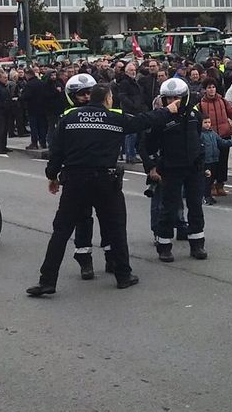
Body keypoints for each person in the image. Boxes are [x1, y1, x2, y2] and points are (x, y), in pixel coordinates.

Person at [26, 76, 177, 297]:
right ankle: (123, 276)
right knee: (115, 229)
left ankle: (47, 281)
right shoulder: (114, 118)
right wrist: (169, 110)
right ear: (107, 99)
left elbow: (56, 151)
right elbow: (144, 120)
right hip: (106, 182)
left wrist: (52, 176)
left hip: (75, 182)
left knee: (60, 233)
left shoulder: (69, 118)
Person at [142, 77, 207, 262]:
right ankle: (164, 245)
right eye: (168, 98)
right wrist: (153, 166)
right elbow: (148, 146)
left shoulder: (194, 115)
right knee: (169, 208)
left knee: (195, 206)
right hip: (170, 168)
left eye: (176, 97)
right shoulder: (161, 118)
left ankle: (197, 244)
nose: (172, 102)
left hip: (193, 167)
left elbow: (198, 136)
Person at [198, 78, 232, 197]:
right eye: (209, 87)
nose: (211, 90)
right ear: (205, 90)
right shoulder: (201, 103)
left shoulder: (222, 100)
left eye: (213, 87)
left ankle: (220, 185)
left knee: (223, 162)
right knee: (210, 162)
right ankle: (210, 185)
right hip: (208, 137)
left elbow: (231, 111)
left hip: (224, 134)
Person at [199, 114, 232, 205]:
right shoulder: (200, 135)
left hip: (214, 159)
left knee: (212, 179)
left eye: (209, 122)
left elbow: (221, 142)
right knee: (207, 179)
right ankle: (206, 196)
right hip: (206, 161)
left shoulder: (213, 133)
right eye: (205, 122)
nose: (208, 124)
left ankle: (209, 196)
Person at [0, 71, 16, 154]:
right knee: (0, 130)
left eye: (7, 77)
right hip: (0, 112)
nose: (6, 79)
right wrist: (3, 105)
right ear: (0, 78)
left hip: (6, 111)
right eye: (5, 78)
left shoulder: (5, 86)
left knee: (5, 129)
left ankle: (3, 146)